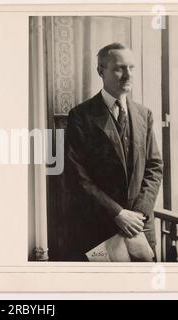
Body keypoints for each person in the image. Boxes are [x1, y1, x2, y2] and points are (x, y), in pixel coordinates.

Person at [64, 43, 163, 261]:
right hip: (98, 230)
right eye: (119, 68)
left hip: (140, 228)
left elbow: (154, 168)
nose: (128, 75)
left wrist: (138, 214)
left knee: (142, 289)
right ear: (101, 71)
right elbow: (77, 178)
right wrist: (117, 213)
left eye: (132, 68)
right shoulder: (81, 116)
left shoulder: (144, 114)